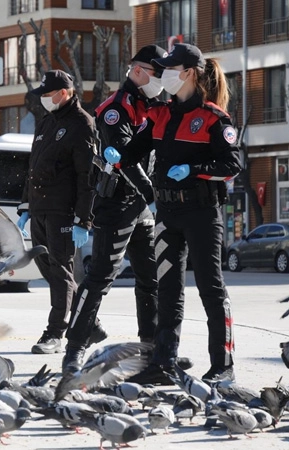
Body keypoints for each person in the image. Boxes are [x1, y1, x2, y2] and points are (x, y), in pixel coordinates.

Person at [104, 43, 242, 382]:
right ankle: (163, 364)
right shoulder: (159, 114)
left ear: (189, 73)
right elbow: (133, 152)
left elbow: (232, 164)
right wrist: (115, 154)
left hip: (202, 213)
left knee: (211, 288)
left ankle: (223, 367)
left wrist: (194, 170)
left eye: (169, 68)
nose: (163, 74)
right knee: (166, 289)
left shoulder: (213, 118)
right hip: (167, 213)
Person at [62, 45, 170, 373]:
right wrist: (152, 194)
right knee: (100, 278)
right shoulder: (115, 108)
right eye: (157, 73)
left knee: (150, 279)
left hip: (142, 207)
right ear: (137, 70)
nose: (161, 80)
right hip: (116, 202)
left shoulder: (155, 106)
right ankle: (74, 349)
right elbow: (125, 158)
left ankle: (149, 349)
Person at [17, 70, 97, 355]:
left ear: (64, 93)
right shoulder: (47, 121)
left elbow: (88, 177)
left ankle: (55, 333)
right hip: (40, 208)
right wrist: (26, 206)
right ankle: (89, 322)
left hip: (63, 212)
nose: (43, 99)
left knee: (61, 271)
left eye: (48, 94)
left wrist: (83, 219)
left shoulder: (82, 123)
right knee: (48, 268)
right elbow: (33, 168)